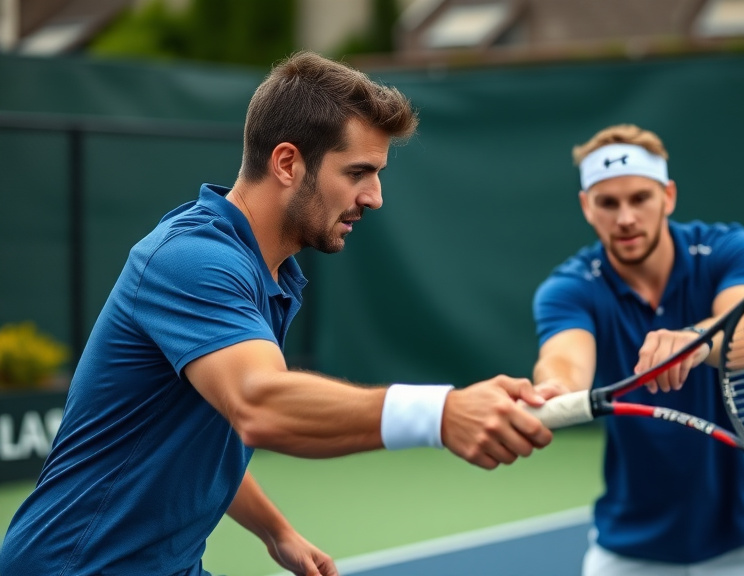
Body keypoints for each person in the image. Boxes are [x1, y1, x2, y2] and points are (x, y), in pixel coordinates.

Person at [0, 51, 554, 576]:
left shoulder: (266, 271)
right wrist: (440, 413)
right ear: (287, 163)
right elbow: (257, 404)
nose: (375, 197)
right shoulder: (193, 260)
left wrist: (276, 531)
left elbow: (209, 426)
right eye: (357, 172)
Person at [531, 124, 744, 576]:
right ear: (586, 207)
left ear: (668, 196)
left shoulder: (731, 249)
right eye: (608, 202)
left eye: (640, 198)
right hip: (630, 546)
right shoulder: (569, 288)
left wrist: (694, 342)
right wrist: (553, 390)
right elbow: (564, 362)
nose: (625, 218)